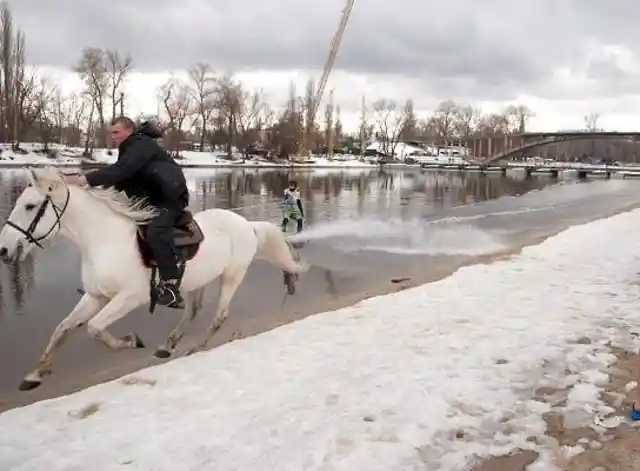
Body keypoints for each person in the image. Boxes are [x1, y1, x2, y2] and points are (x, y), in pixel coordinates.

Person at [62, 116, 189, 309]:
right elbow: (121, 179)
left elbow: (122, 170)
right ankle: (117, 279)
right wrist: (91, 192)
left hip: (169, 197)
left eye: (116, 132)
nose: (113, 137)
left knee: (156, 231)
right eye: (111, 133)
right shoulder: (130, 148)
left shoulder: (140, 144)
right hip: (151, 198)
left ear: (129, 131)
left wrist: (84, 180)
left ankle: (171, 286)